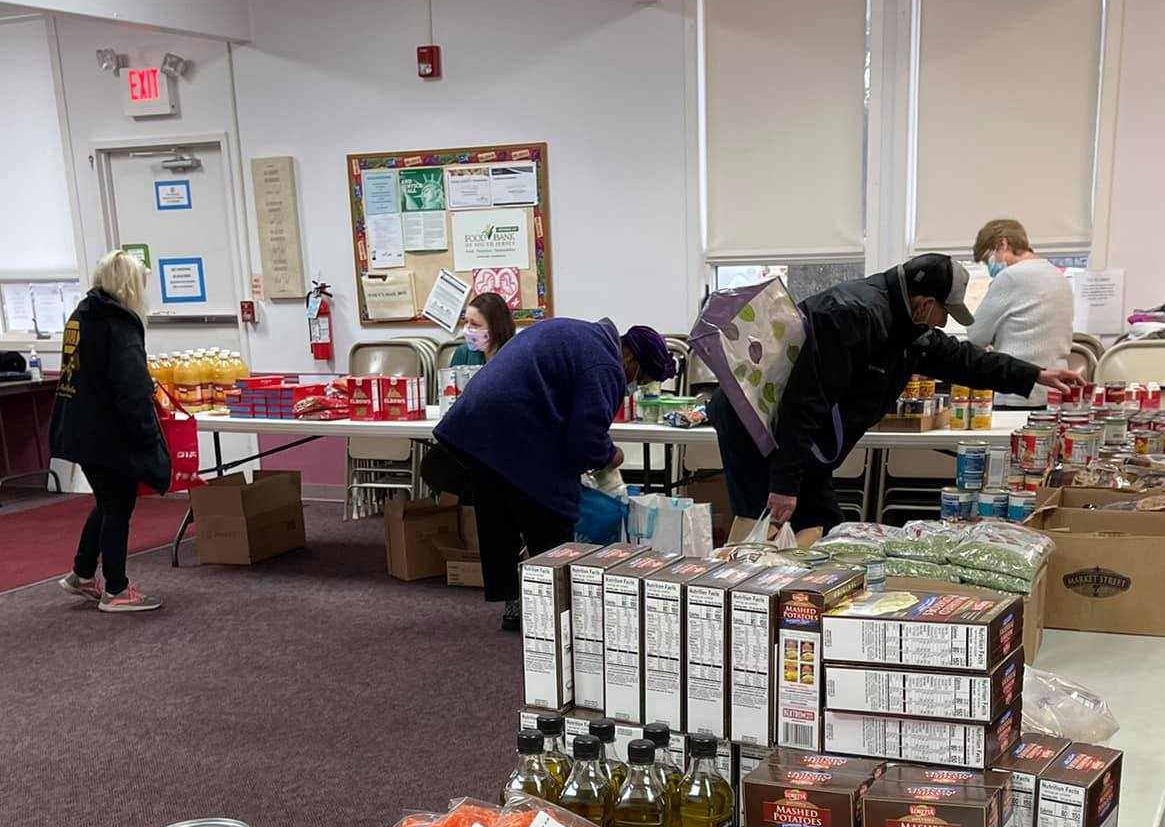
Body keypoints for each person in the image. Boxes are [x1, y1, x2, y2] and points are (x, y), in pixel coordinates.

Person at [706, 255, 1082, 543]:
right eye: (942, 313)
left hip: (800, 439)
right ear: (923, 302)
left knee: (829, 534)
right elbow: (806, 400)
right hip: (760, 429)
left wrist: (1035, 374)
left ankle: (810, 615)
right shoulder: (851, 315)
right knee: (764, 532)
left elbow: (961, 358)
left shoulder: (905, 325)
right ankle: (749, 618)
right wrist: (785, 485)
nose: (942, 323)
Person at [433, 318, 673, 630]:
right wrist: (611, 456)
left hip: (475, 420)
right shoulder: (605, 365)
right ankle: (553, 610)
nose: (634, 387)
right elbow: (584, 441)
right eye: (640, 379)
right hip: (514, 424)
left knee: (500, 516)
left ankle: (515, 603)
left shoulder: (582, 335)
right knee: (551, 515)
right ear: (630, 358)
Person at [50, 251, 171, 613]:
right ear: (129, 286)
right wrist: (148, 437)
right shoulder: (119, 324)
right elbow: (131, 388)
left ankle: (83, 573)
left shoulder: (83, 315)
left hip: (77, 425)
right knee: (118, 504)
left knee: (106, 500)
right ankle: (116, 590)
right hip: (106, 431)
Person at [968, 219, 1075, 407]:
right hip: (1055, 390)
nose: (990, 266)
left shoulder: (1011, 276)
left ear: (1003, 244)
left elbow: (976, 336)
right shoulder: (1058, 276)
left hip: (1017, 391)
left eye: (988, 258)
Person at [447, 292, 515, 368]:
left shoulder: (515, 353)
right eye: (466, 321)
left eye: (475, 324)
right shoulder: (463, 353)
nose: (466, 328)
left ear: (496, 327)